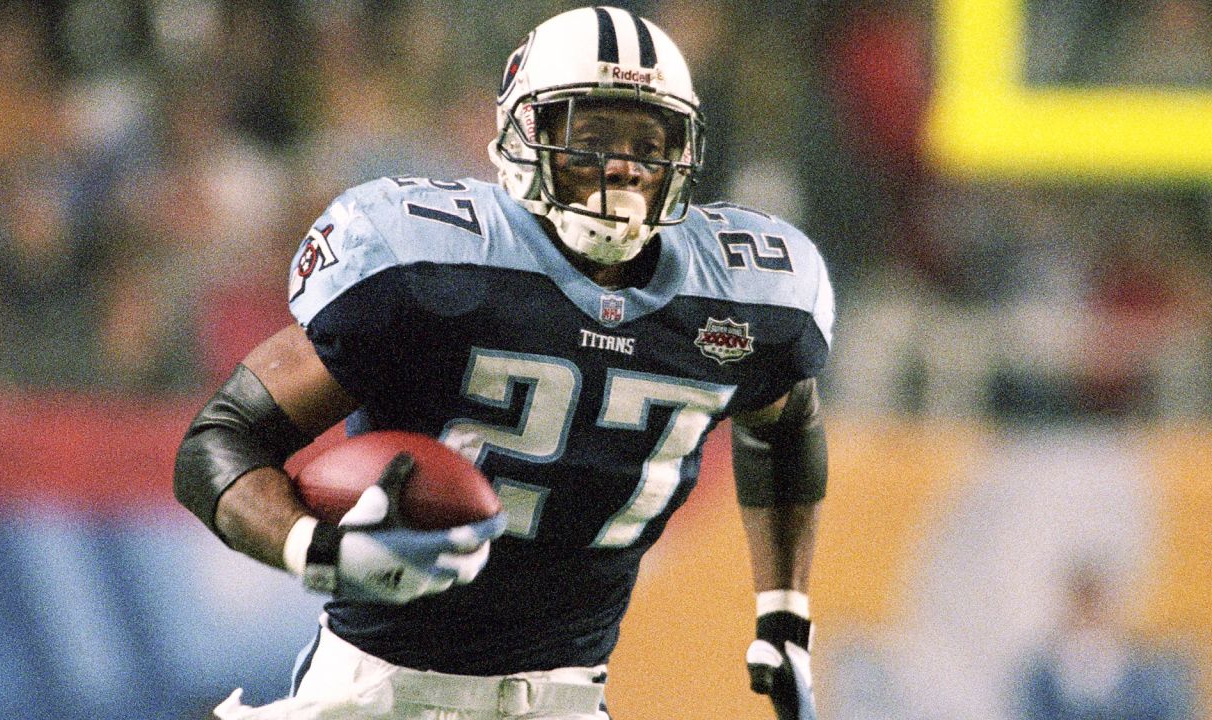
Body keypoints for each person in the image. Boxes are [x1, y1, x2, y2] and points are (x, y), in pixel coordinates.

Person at [174, 7, 833, 719]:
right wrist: (319, 550)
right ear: (528, 134)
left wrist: (784, 615)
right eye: (592, 137)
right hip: (374, 692)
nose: (622, 165)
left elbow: (786, 422)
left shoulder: (742, 299)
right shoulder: (428, 264)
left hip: (568, 700)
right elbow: (219, 439)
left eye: (649, 141)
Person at [1014, 560, 1197, 720]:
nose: (1088, 615)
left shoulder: (1153, 679)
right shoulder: (1040, 680)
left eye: (1096, 604)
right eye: (1080, 604)